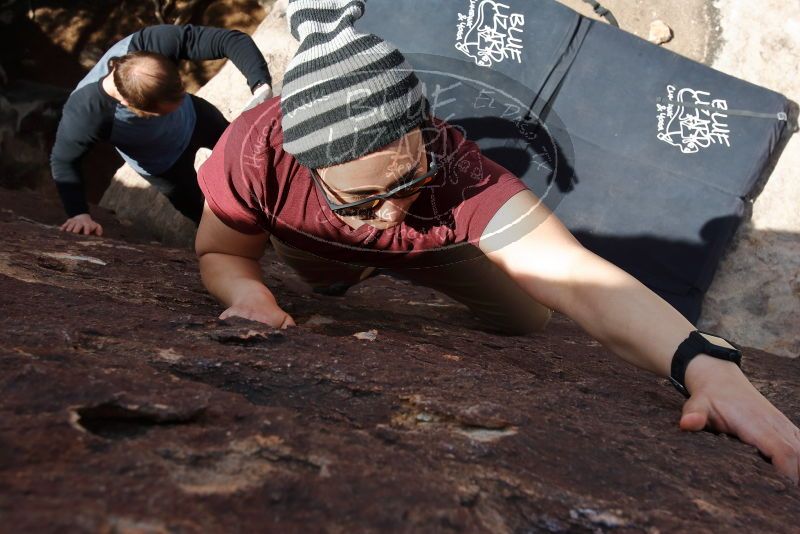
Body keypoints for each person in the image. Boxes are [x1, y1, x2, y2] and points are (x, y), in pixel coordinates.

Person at [195, 0, 800, 483]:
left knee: (526, 318)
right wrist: (246, 290)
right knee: (327, 285)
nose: (391, 210)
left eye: (410, 179)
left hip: (438, 247)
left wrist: (702, 362)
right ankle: (349, 269)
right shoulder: (254, 151)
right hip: (317, 246)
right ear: (307, 165)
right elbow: (223, 250)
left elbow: (576, 277)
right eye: (361, 198)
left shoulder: (455, 170)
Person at [51, 24, 273, 235]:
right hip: (164, 165)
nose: (174, 108)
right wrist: (79, 213)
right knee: (209, 214)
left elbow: (230, 40)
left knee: (253, 159)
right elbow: (64, 161)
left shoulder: (152, 42)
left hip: (197, 118)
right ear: (129, 104)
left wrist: (260, 85)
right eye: (166, 111)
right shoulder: (86, 112)